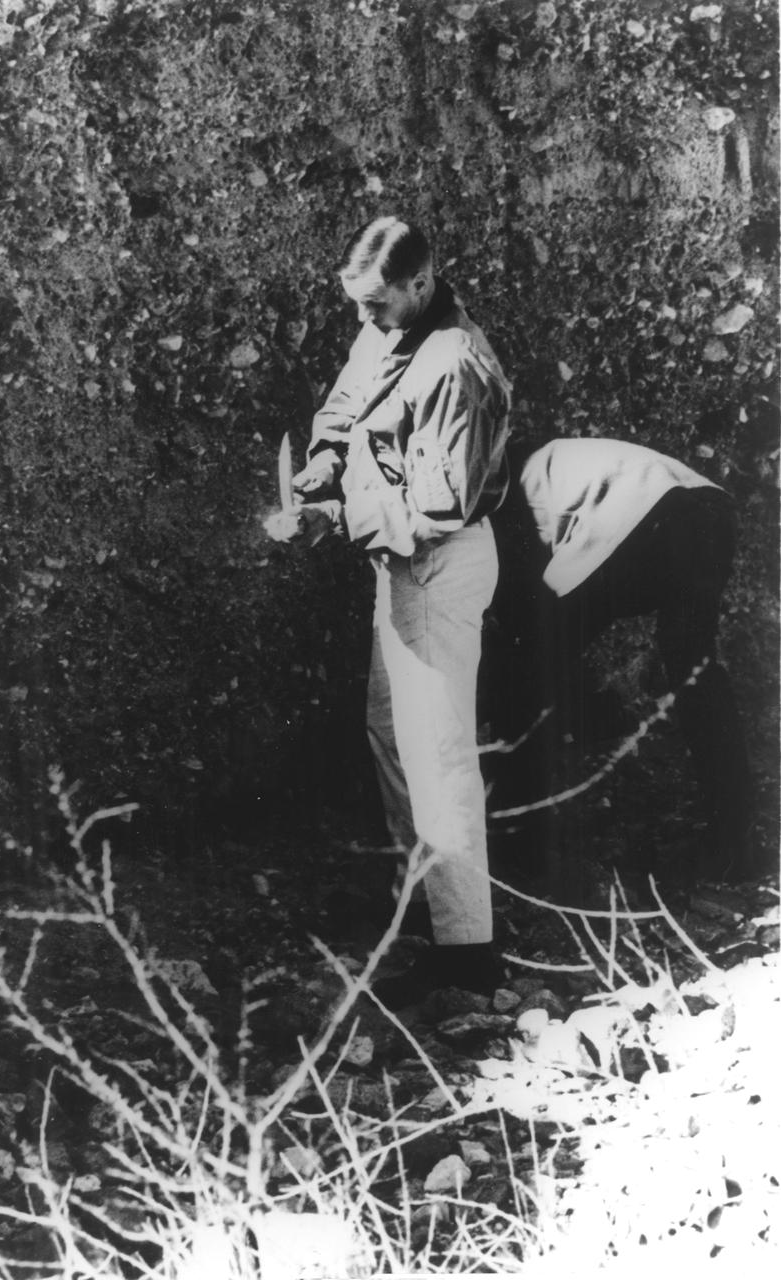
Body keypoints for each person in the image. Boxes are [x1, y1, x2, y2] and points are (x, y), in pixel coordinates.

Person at [265, 217, 512, 1003]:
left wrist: (335, 516)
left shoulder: (454, 364)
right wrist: (325, 460)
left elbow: (440, 504)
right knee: (389, 731)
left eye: (375, 303)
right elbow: (349, 399)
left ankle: (469, 952)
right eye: (357, 304)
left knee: (438, 754)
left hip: (439, 562)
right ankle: (425, 909)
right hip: (399, 565)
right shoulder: (388, 326)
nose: (362, 318)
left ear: (421, 283)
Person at [486, 436, 753, 883]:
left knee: (524, 668)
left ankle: (519, 848)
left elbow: (523, 613)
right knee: (696, 672)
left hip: (640, 517)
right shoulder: (544, 463)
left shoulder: (496, 488)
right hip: (710, 513)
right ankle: (734, 843)